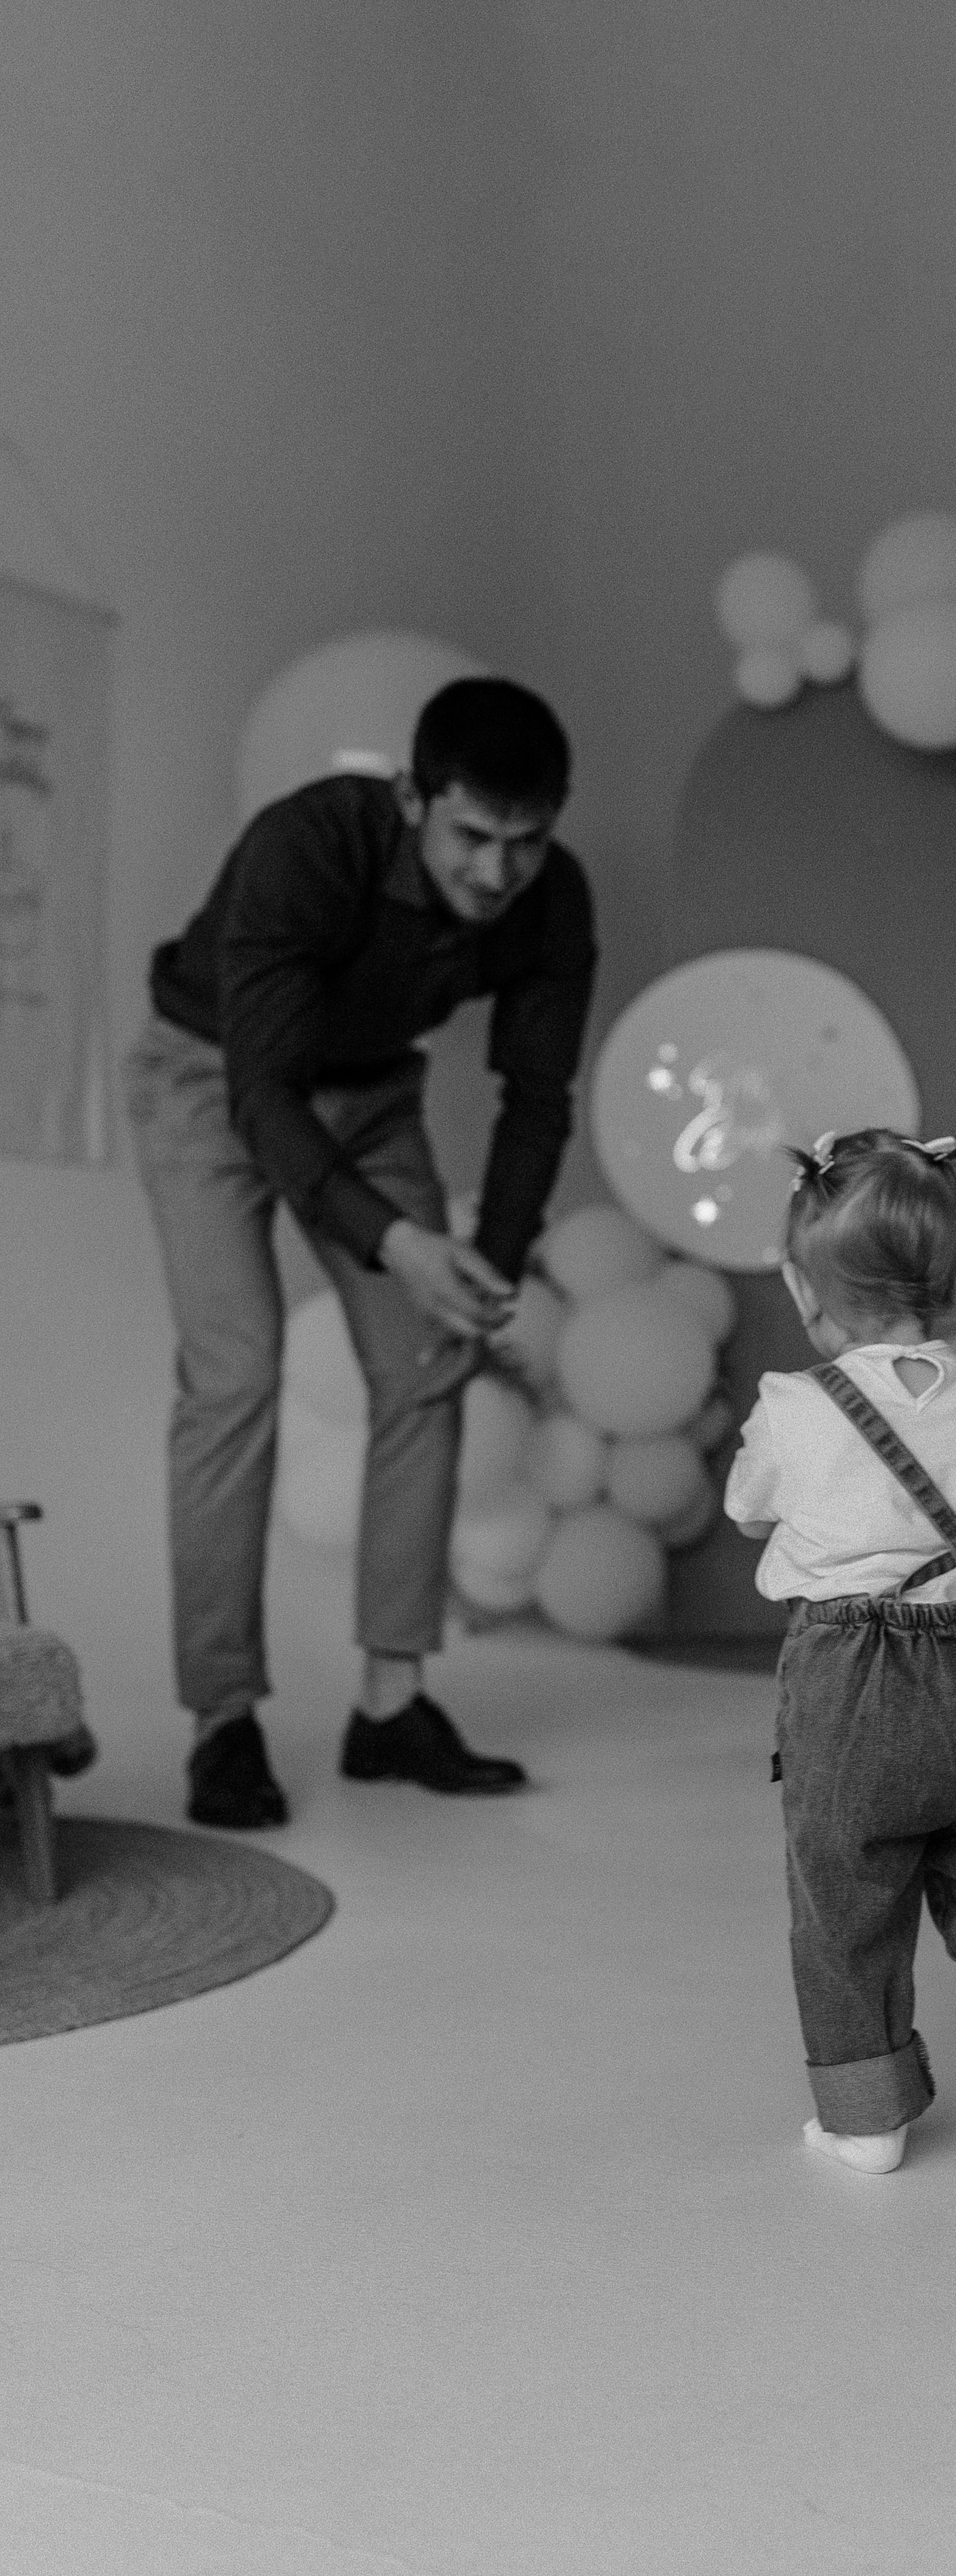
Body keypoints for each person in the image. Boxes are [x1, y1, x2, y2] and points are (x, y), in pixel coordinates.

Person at [123, 675, 596, 1830]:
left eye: (524, 846)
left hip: (374, 1095)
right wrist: (394, 1241)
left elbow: (537, 1097)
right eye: (472, 837)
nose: (495, 873)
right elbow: (263, 1092)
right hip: (211, 1078)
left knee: (429, 1362)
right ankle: (222, 1724)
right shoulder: (307, 844)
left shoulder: (552, 899)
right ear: (410, 797)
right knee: (234, 1374)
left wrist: (486, 1260)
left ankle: (390, 1708)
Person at [723, 1126, 956, 2174]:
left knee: (845, 1907)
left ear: (803, 1289)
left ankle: (866, 2119)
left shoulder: (792, 1409)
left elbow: (749, 1512)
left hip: (853, 1685)